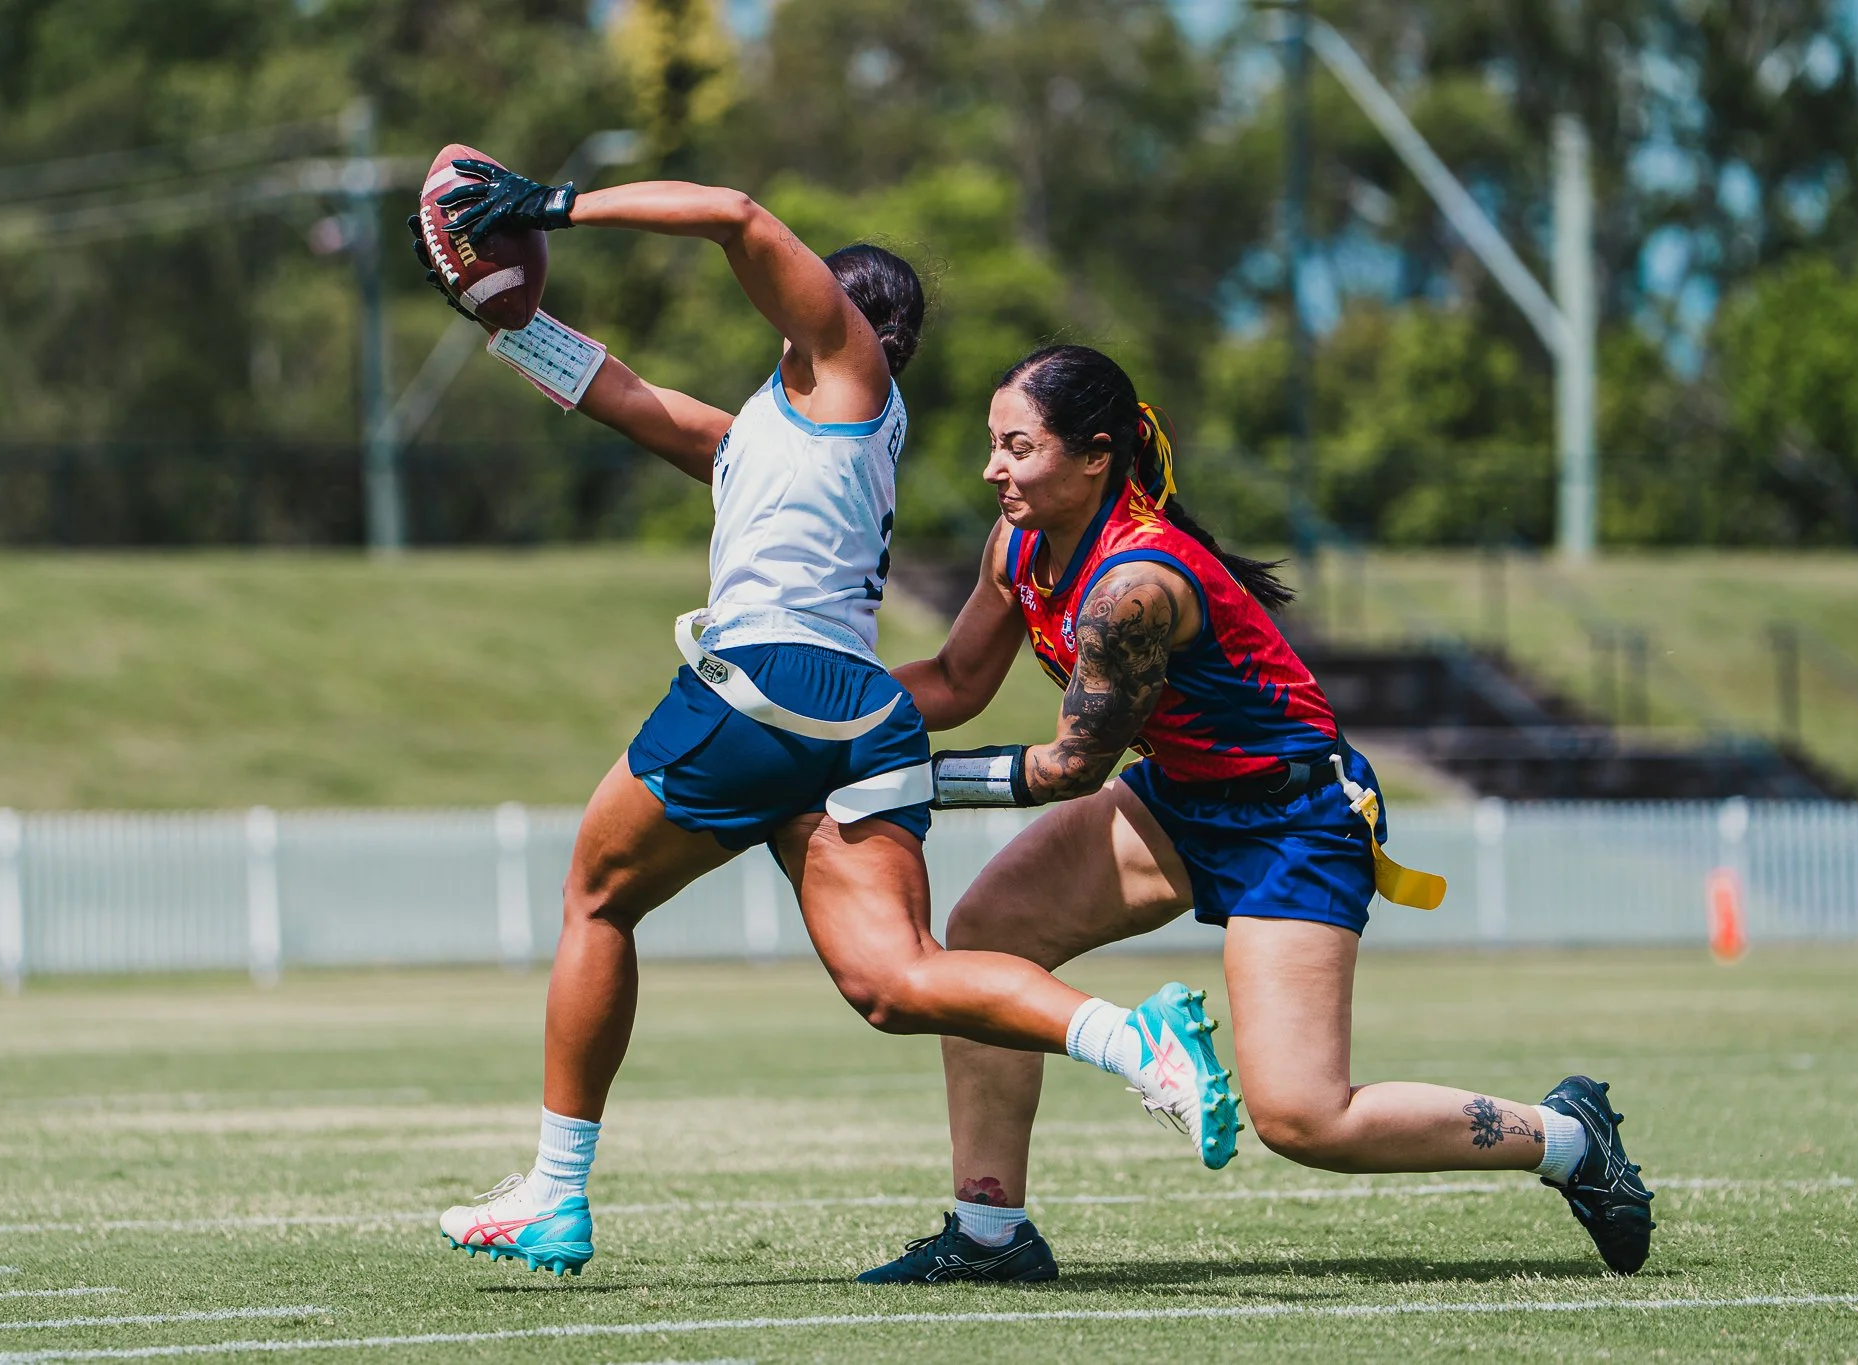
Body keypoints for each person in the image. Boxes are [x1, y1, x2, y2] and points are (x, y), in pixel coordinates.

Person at [405, 170, 1240, 1278]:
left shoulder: (841, 373)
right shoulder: (786, 439)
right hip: (857, 713)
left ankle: (556, 1192)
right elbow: (627, 395)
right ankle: (1130, 1042)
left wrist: (552, 204)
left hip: (764, 685)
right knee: (894, 984)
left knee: (595, 899)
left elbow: (737, 217)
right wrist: (504, 323)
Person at [859, 344, 1654, 1285]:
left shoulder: (1134, 589)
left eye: (1018, 447)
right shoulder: (1017, 545)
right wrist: (825, 714)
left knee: (1302, 1118)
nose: (994, 469)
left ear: (1094, 455)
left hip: (1292, 821)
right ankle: (991, 1234)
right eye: (993, 444)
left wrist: (897, 777)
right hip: (1180, 798)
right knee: (988, 933)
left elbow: (1071, 765)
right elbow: (953, 681)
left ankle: (1568, 1138)